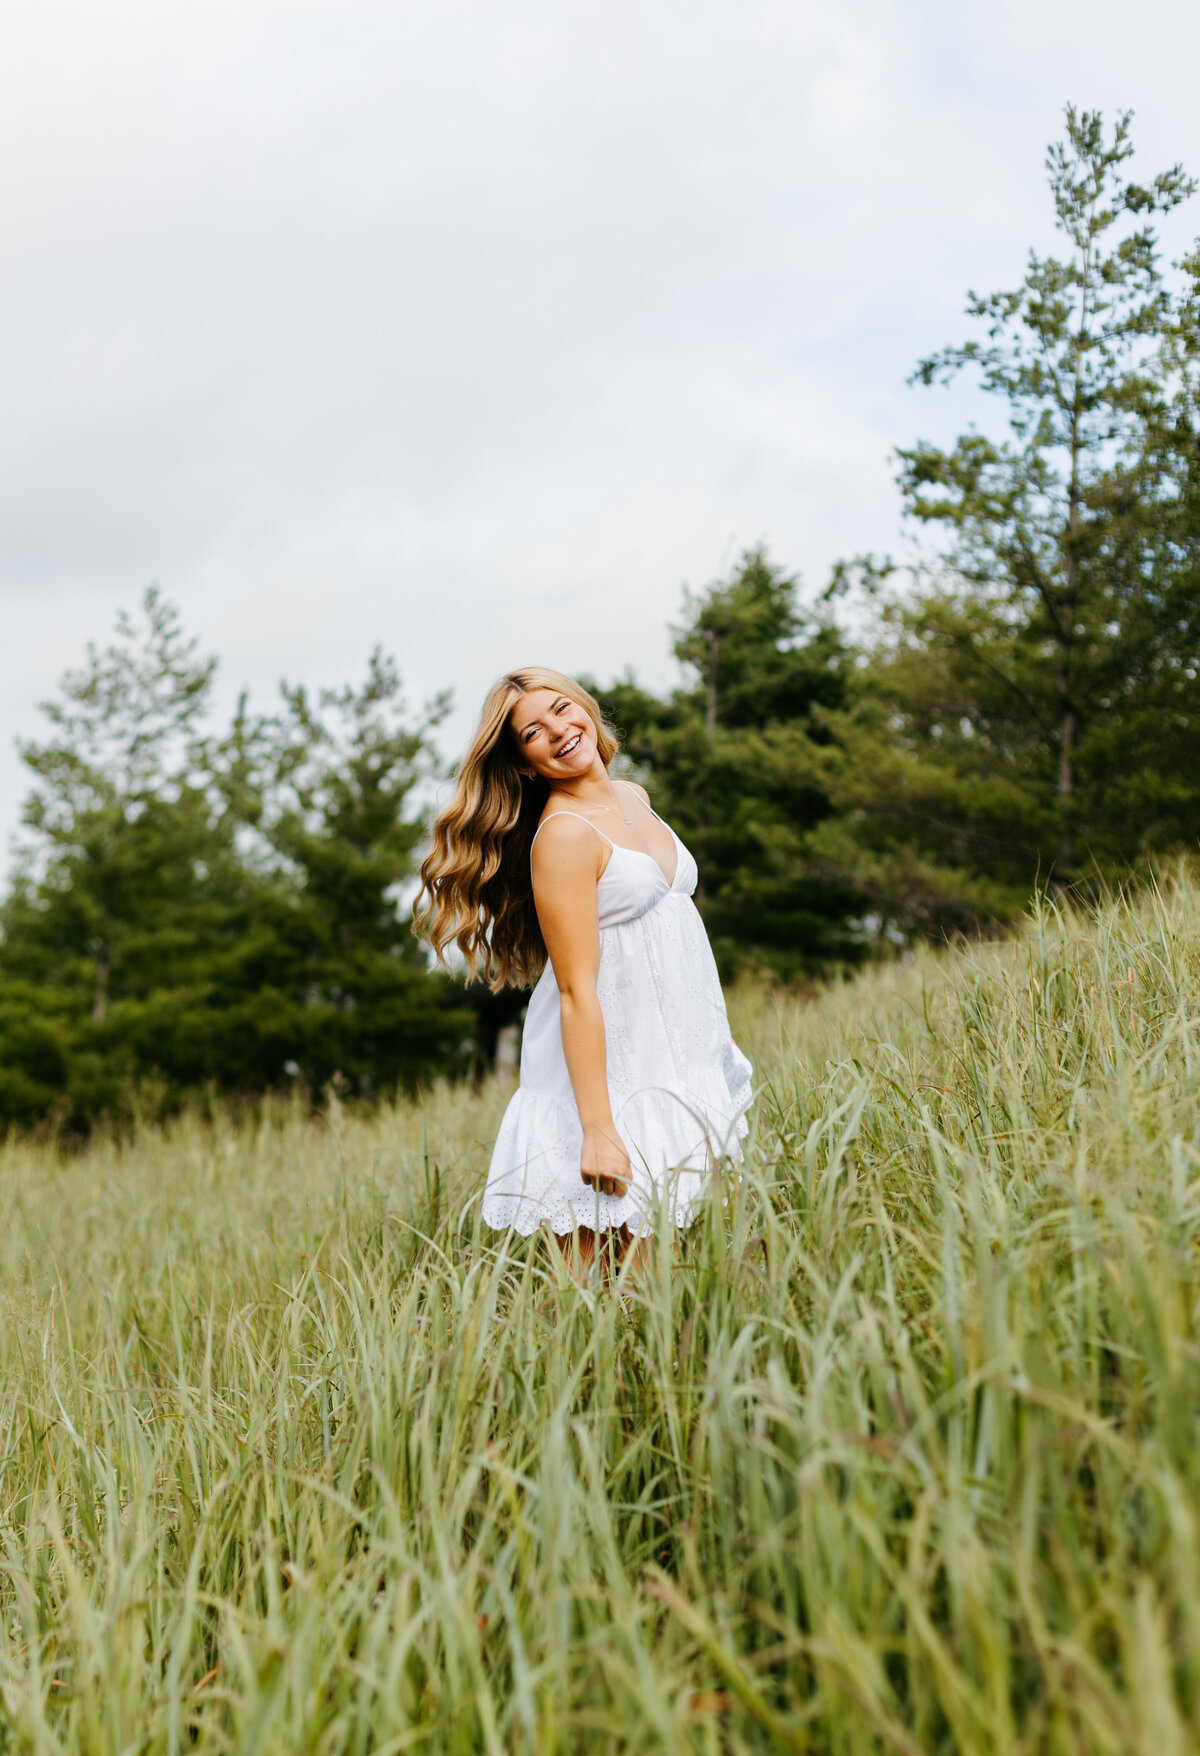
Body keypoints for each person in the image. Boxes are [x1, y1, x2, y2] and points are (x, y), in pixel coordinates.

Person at [413, 666, 753, 1274]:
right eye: (533, 732)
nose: (560, 731)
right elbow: (574, 991)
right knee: (600, 1284)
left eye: (563, 709)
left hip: (671, 1054)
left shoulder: (633, 798)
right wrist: (597, 1128)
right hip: (608, 1077)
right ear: (524, 764)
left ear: (586, 709)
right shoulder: (564, 835)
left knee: (667, 1268)